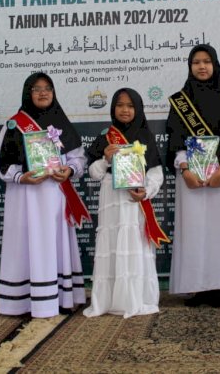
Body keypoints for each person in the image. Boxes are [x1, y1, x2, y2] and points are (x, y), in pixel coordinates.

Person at [0, 73, 88, 318]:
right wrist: (21, 177)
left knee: (52, 242)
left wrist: (69, 170)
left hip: (56, 196)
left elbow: (78, 157)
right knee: (27, 243)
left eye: (48, 88)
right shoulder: (14, 124)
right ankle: (21, 302)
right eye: (37, 88)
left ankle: (60, 297)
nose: (43, 93)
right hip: (25, 197)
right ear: (28, 92)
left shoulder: (62, 123)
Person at [166, 45, 220, 307]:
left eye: (207, 61)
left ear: (215, 64)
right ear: (189, 67)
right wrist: (186, 171)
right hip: (190, 178)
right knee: (194, 231)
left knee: (219, 232)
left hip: (219, 176)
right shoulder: (181, 100)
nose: (202, 67)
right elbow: (175, 141)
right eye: (196, 62)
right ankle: (198, 287)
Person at [83, 88, 168, 318]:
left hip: (134, 199)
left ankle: (134, 299)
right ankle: (109, 301)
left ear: (138, 109)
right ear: (113, 108)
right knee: (111, 244)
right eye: (120, 105)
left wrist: (146, 191)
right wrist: (105, 159)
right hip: (111, 196)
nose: (125, 110)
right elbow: (92, 172)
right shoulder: (105, 137)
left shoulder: (145, 136)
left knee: (133, 245)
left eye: (130, 106)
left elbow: (156, 172)